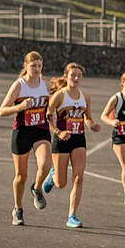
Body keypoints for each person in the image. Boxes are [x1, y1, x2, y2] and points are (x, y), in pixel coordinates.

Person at [0, 51, 52, 225]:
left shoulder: (45, 84)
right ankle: (18, 209)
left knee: (45, 165)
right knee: (21, 175)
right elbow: (2, 110)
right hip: (22, 132)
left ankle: (37, 188)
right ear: (25, 66)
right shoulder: (19, 85)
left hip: (41, 131)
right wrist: (19, 107)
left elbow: (51, 108)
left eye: (39, 66)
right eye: (33, 65)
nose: (36, 69)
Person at [45, 63, 100, 228]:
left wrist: (92, 125)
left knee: (78, 177)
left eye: (79, 75)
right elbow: (47, 118)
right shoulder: (59, 96)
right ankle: (53, 175)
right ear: (66, 76)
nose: (76, 78)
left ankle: (72, 215)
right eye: (73, 75)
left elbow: (88, 118)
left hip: (78, 140)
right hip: (61, 140)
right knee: (61, 183)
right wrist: (57, 131)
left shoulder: (86, 98)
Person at [100, 71, 125, 207]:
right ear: (123, 82)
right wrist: (112, 122)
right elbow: (103, 115)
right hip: (119, 137)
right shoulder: (117, 98)